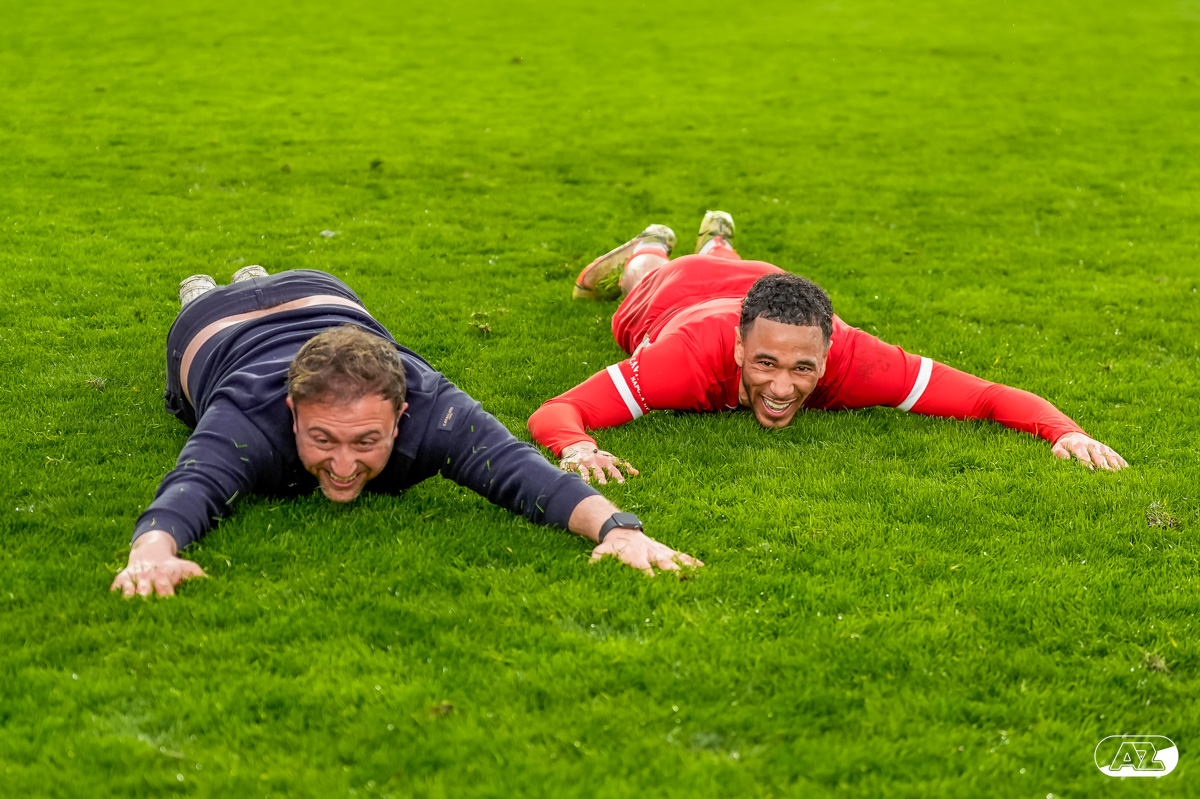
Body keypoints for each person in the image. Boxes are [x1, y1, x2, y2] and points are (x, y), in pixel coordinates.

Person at [112, 266, 700, 598]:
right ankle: (206, 290)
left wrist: (620, 530)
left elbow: (525, 474)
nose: (344, 468)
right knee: (204, 300)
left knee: (250, 284)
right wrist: (151, 555)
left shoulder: (434, 405)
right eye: (323, 439)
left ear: (401, 414)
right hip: (215, 328)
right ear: (291, 411)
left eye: (366, 441)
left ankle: (251, 276)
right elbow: (191, 487)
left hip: (322, 295)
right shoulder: (246, 413)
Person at [529, 211, 1128, 482]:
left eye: (802, 368)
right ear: (736, 350)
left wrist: (1065, 432)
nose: (781, 388)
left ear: (829, 348)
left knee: (733, 267)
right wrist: (578, 449)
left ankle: (718, 241)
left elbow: (986, 397)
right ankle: (652, 245)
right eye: (765, 363)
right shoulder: (682, 360)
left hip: (763, 281)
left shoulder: (859, 360)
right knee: (644, 276)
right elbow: (557, 412)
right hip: (675, 296)